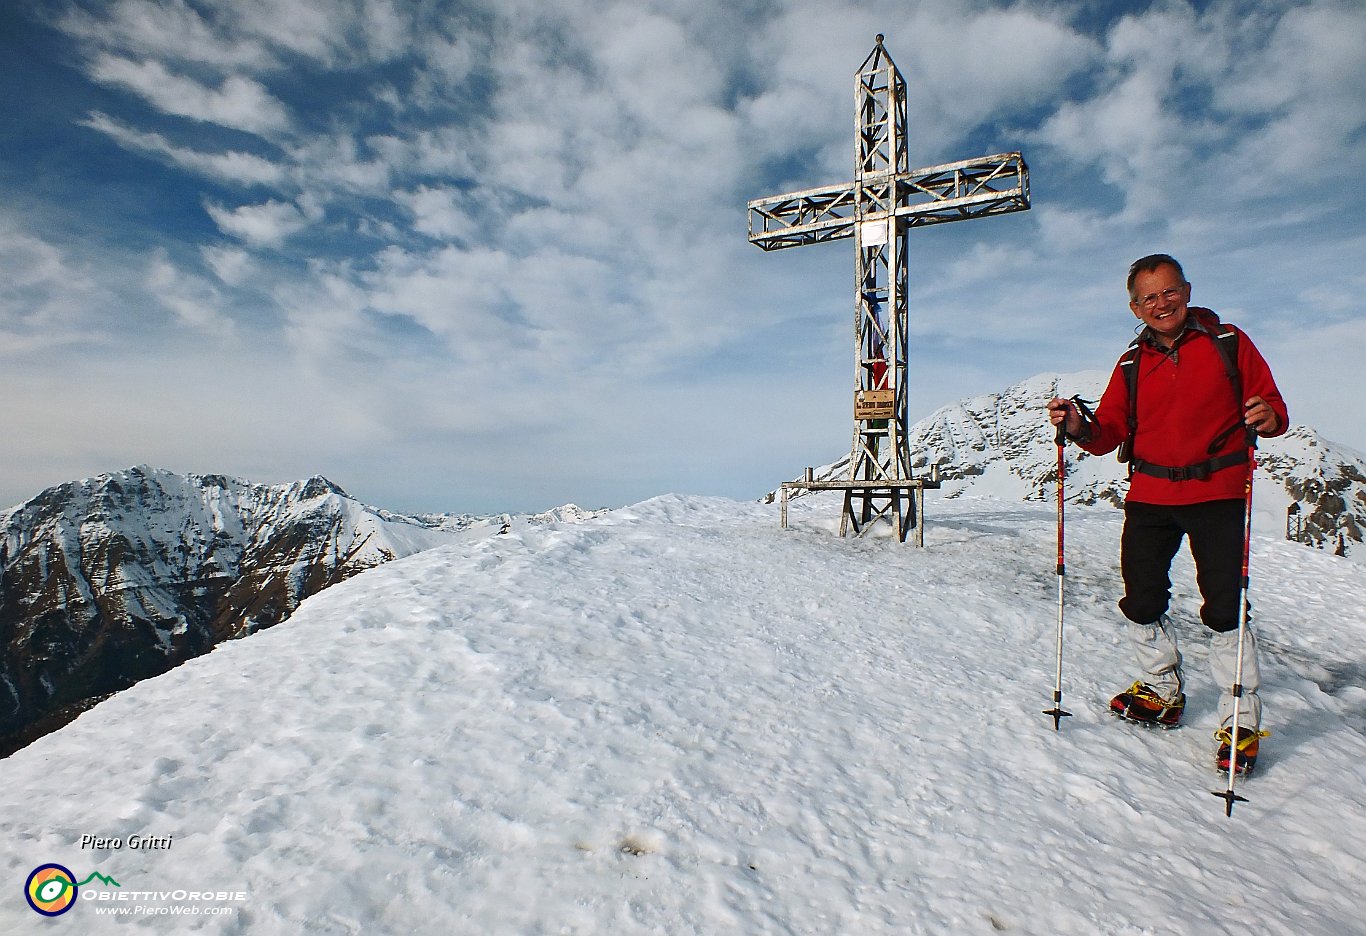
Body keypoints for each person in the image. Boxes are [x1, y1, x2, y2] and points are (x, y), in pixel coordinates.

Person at [1047, 254, 1288, 774]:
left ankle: (1239, 718)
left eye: (1169, 291)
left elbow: (1271, 405)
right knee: (1141, 594)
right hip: (1151, 495)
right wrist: (1076, 426)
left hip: (1219, 491)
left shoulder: (1228, 342)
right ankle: (1161, 687)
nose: (1162, 303)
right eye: (1149, 297)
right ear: (1135, 307)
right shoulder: (1132, 363)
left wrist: (1269, 416)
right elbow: (1108, 429)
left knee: (1225, 604)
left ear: (1187, 290)